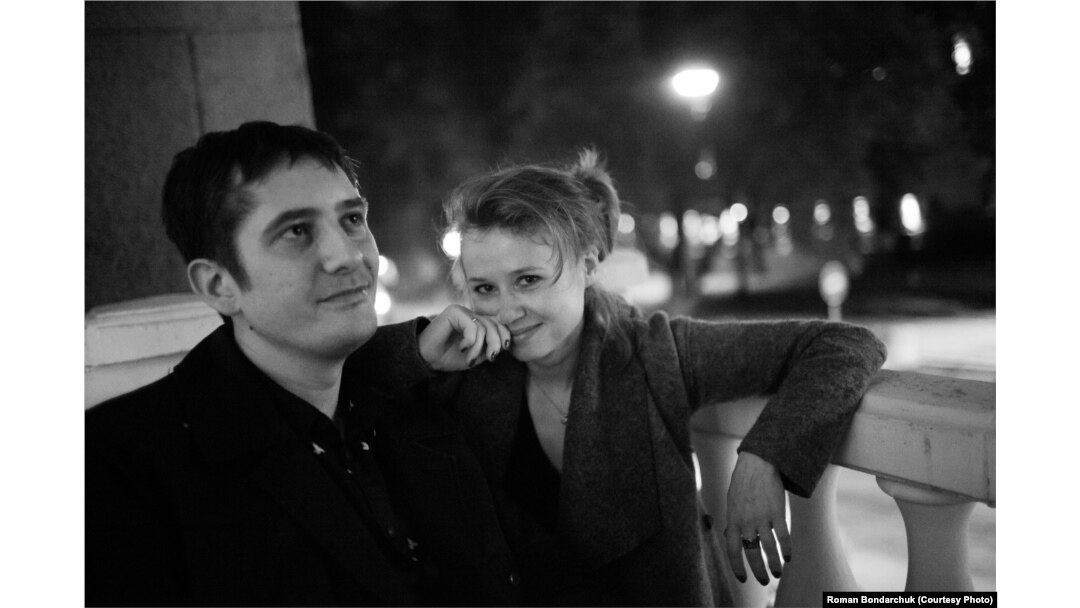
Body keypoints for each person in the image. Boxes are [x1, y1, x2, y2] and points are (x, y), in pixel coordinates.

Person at [356, 150, 888, 606]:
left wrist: (765, 455)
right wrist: (417, 352)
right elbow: (336, 379)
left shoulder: (658, 354)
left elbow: (845, 345)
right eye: (484, 289)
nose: (507, 310)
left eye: (529, 280)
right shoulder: (463, 367)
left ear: (588, 266)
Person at [84, 121, 518, 607]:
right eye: (297, 231)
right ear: (219, 286)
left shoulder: (416, 412)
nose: (347, 256)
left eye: (352, 219)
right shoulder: (119, 471)